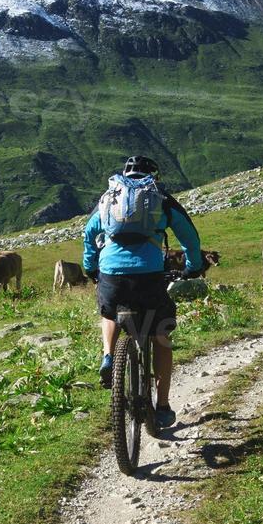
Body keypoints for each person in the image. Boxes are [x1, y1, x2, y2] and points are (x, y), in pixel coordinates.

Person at [82, 156, 202, 431]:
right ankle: (162, 406)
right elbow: (190, 237)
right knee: (161, 333)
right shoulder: (160, 197)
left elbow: (89, 234)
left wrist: (91, 268)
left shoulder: (110, 198)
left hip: (111, 273)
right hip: (149, 275)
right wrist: (192, 267)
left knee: (108, 311)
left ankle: (108, 356)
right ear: (153, 176)